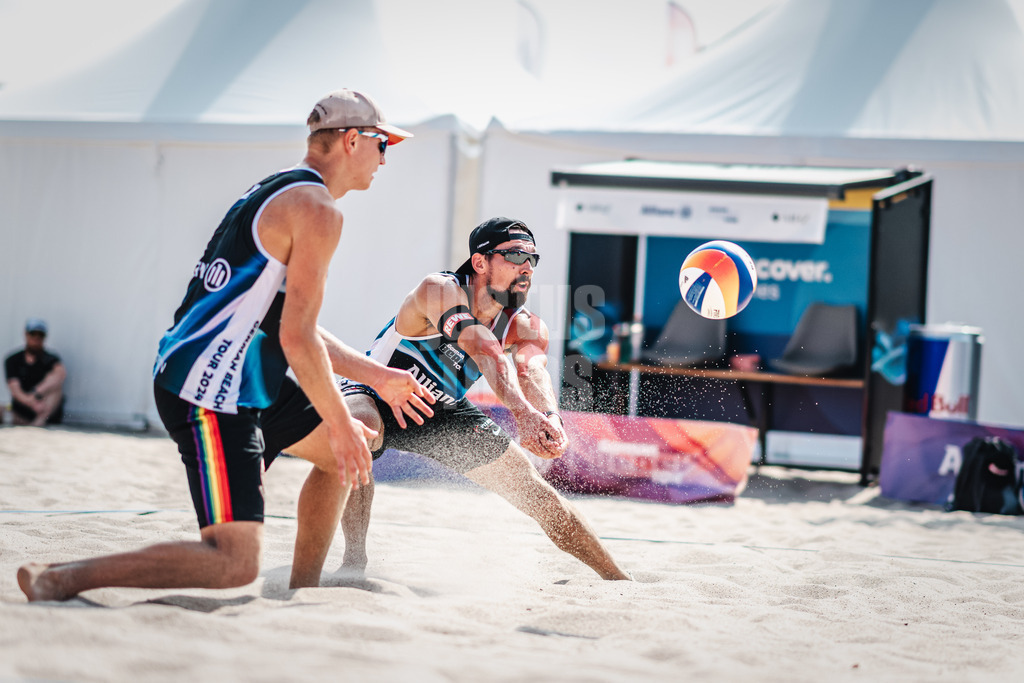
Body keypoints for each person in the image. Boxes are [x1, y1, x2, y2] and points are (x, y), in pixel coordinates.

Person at [18, 89, 435, 602]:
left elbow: (282, 319)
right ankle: (60, 577)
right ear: (352, 140)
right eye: (382, 144)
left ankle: (302, 593)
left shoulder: (274, 189)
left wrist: (377, 377)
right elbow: (297, 338)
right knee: (233, 563)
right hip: (209, 388)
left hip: (237, 376)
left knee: (343, 448)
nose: (385, 158)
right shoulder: (318, 209)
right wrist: (341, 423)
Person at [281, 217, 632, 584]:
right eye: (514, 256)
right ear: (480, 263)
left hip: (443, 410)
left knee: (539, 497)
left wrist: (548, 416)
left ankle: (619, 580)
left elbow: (532, 372)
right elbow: (483, 349)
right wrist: (522, 413)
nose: (526, 267)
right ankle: (354, 561)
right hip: (378, 391)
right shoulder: (438, 290)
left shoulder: (526, 324)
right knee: (360, 433)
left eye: (532, 259)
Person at [5, 318, 66, 427]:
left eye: (40, 335)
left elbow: (60, 374)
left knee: (56, 388)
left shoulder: (50, 359)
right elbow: (15, 390)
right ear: (26, 334)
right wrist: (31, 402)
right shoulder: (13, 360)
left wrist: (36, 393)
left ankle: (39, 423)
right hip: (22, 410)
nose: (36, 338)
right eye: (33, 334)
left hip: (44, 410)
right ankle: (30, 424)